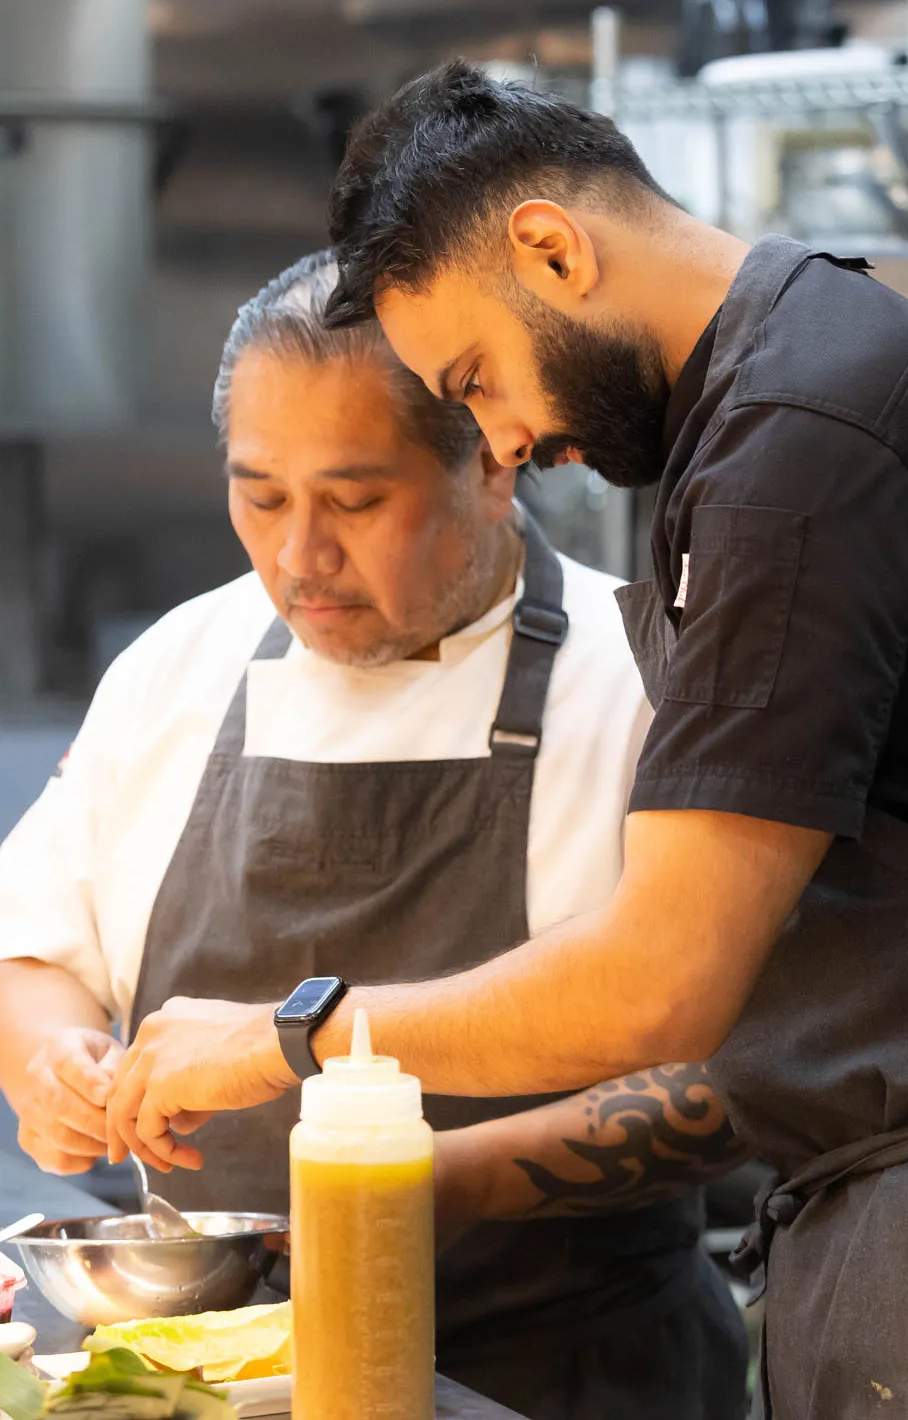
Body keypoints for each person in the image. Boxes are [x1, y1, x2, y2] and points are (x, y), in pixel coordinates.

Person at [106, 69, 908, 1420]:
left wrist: (288, 1039)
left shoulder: (804, 434)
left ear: (553, 248)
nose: (506, 440)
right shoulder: (746, 426)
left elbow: (661, 982)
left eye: (476, 379)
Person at [0, 249, 747, 1420]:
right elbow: (34, 948)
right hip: (204, 1375)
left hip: (559, 1371)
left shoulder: (655, 683)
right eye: (260, 496)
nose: (299, 558)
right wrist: (51, 1062)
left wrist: (404, 1185)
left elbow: (750, 1079)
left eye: (355, 502)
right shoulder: (175, 666)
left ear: (495, 464)